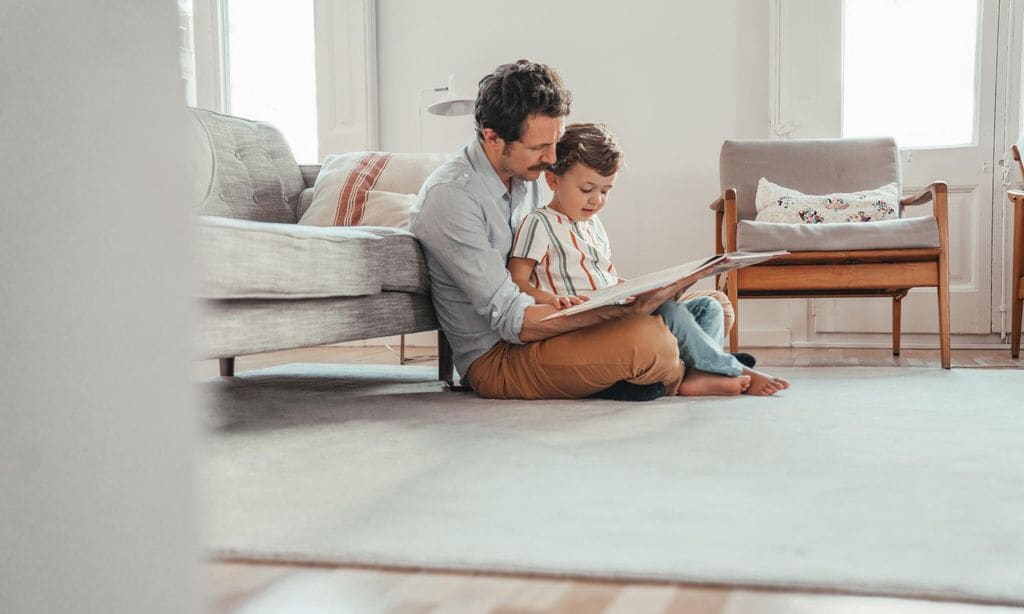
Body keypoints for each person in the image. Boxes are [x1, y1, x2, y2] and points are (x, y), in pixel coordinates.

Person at [409, 59, 788, 400]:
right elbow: (512, 321)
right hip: (501, 356)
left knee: (713, 305)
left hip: (552, 329)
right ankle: (693, 370)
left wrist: (638, 294)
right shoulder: (452, 199)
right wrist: (616, 312)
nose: (553, 159)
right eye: (541, 146)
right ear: (492, 137)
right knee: (650, 341)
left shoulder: (525, 173)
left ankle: (682, 369)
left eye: (555, 143)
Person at [507, 122, 788, 396]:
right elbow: (517, 280)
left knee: (709, 308)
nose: (596, 201)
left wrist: (653, 288)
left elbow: (605, 278)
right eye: (586, 189)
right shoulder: (539, 223)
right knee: (671, 314)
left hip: (615, 308)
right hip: (589, 324)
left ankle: (698, 374)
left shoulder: (593, 226)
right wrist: (548, 299)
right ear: (553, 180)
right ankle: (731, 368)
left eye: (605, 191)